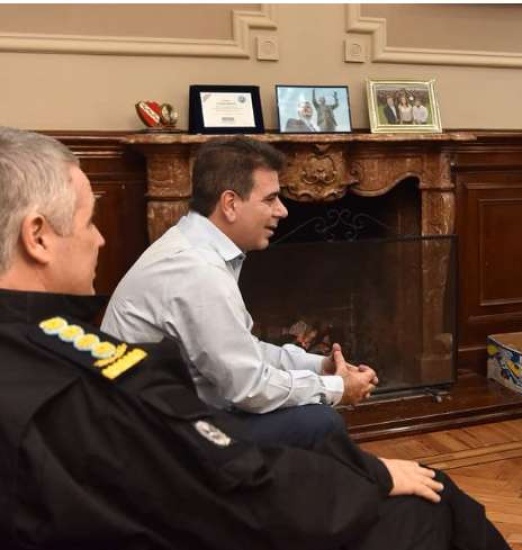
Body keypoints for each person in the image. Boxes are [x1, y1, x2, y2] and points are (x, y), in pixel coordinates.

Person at [0, 126, 522, 550]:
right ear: (38, 236)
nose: (103, 238)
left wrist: (320, 380)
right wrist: (373, 478)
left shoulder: (36, 354)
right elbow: (246, 491)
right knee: (428, 497)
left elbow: (219, 426)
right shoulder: (82, 386)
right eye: (89, 220)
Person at [102, 136, 373, 448]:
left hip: (171, 414)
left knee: (313, 413)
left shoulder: (196, 247)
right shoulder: (197, 270)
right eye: (270, 199)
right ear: (230, 204)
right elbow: (249, 388)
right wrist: (336, 387)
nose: (282, 211)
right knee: (319, 421)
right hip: (156, 438)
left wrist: (317, 365)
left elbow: (242, 351)